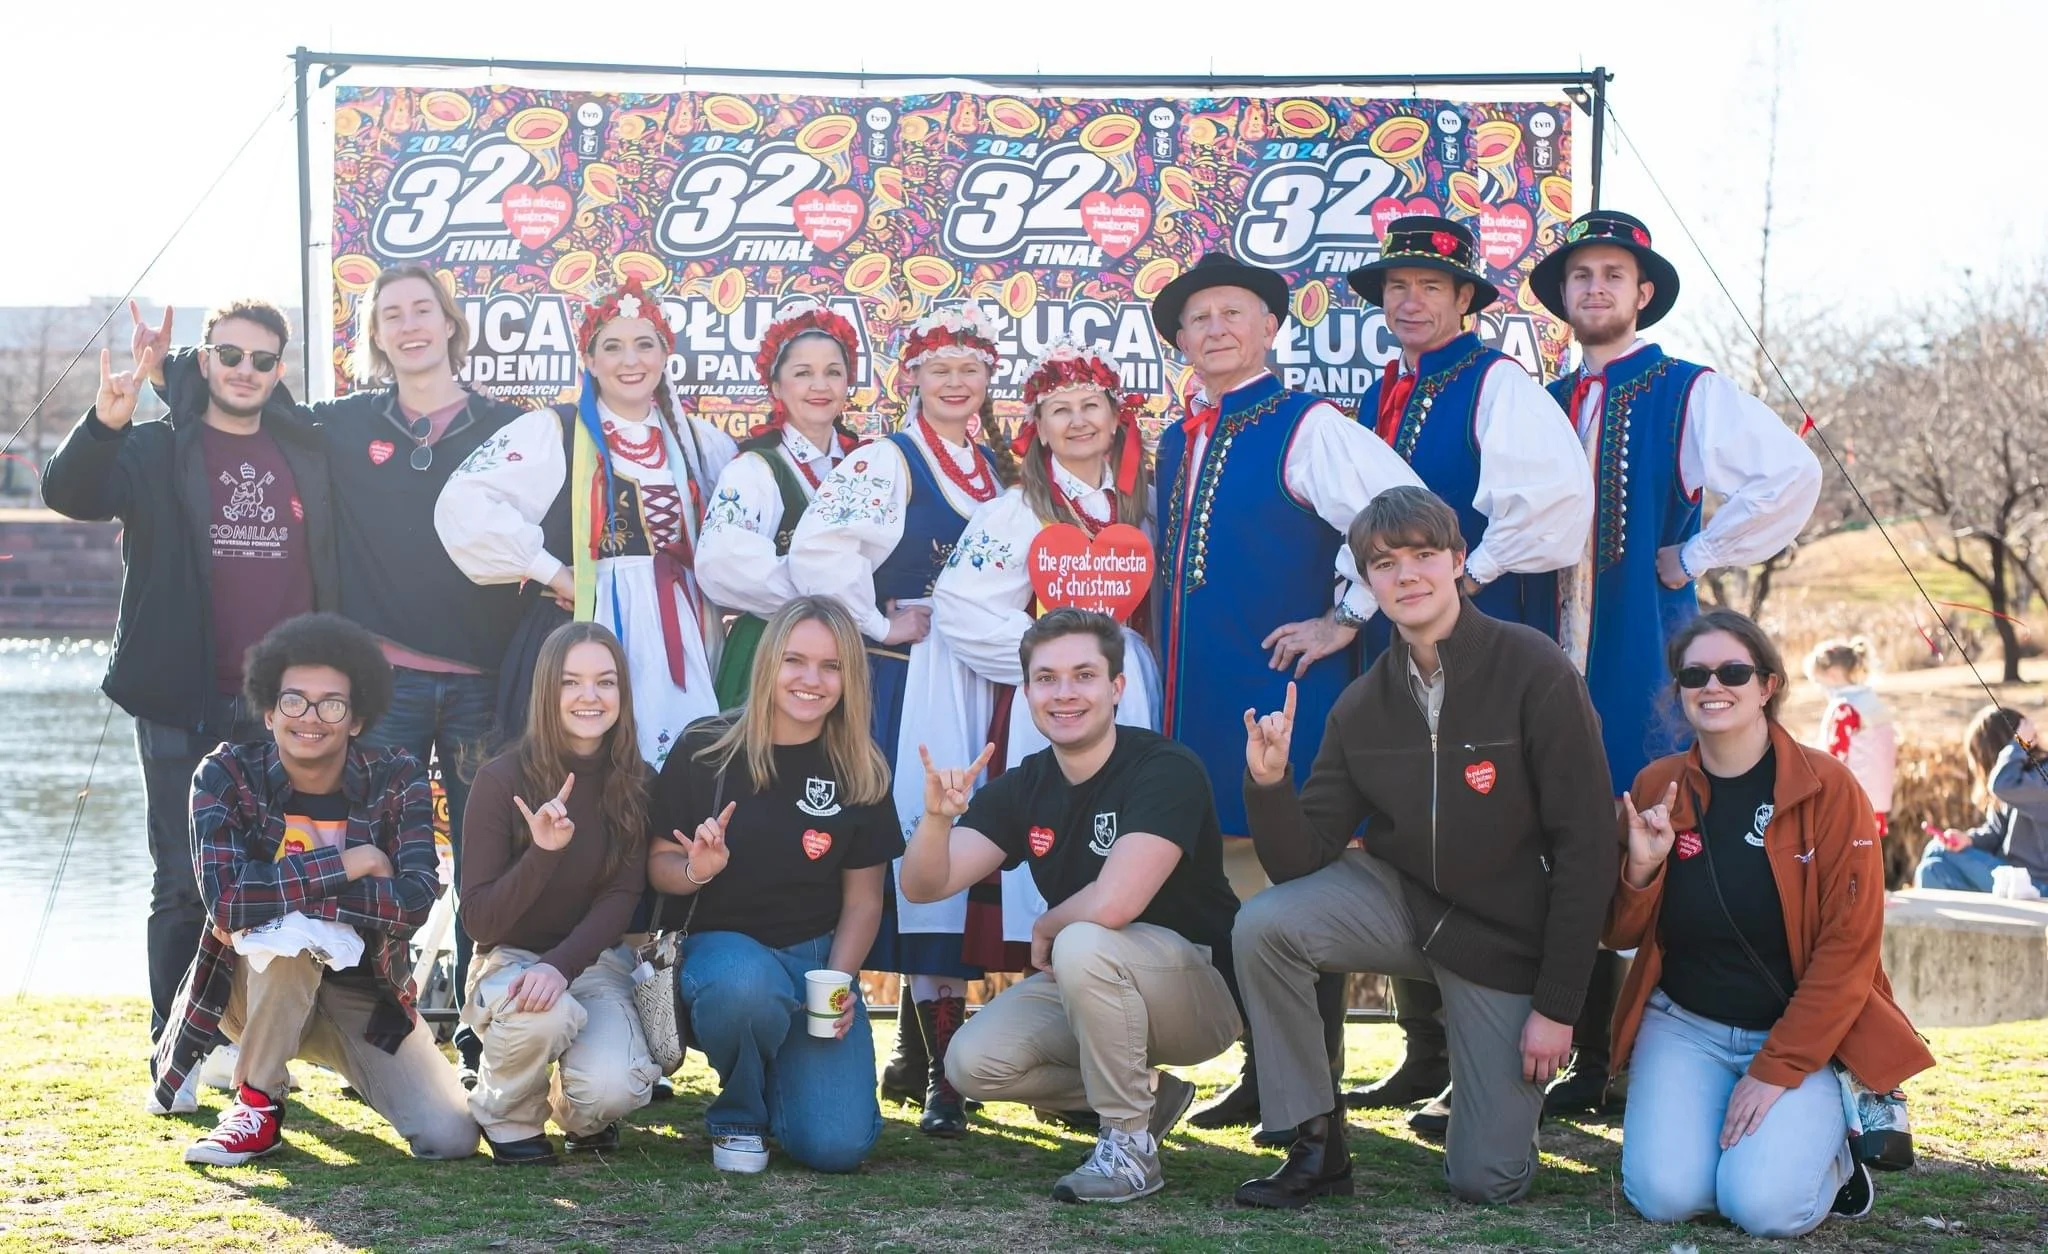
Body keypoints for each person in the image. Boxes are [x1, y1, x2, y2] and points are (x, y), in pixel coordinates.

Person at [141, 265, 530, 1082]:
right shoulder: (344, 424)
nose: (410, 324)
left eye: (424, 309)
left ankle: (483, 1044)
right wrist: (168, 370)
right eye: (392, 314)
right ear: (377, 335)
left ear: (452, 323)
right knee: (361, 858)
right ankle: (373, 1039)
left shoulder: (509, 427)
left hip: (479, 682)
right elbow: (242, 392)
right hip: (378, 683)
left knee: (481, 862)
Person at [1232, 486, 1616, 1209]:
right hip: (1406, 906)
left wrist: (1558, 1004)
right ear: (1367, 583)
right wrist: (1269, 784)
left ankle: (1484, 1105)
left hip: (1503, 943)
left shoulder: (1534, 669)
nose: (1406, 575)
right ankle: (1315, 1146)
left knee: (1487, 1179)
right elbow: (1299, 863)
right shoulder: (1362, 703)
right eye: (1384, 563)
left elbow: (1587, 846)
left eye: (1423, 555)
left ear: (1458, 561)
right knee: (1266, 924)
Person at [1522, 208, 1824, 1117]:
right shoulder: (1538, 401)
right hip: (1544, 649)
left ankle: (1625, 1057)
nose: (1597, 289)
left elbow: (1790, 475)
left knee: (1642, 839)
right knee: (1548, 847)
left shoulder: (1686, 391)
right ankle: (1561, 1048)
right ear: (1564, 298)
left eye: (1614, 275)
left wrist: (1692, 557)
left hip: (1640, 653)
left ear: (1643, 294)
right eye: (1581, 276)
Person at [1149, 251, 1424, 1135]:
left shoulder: (1306, 424)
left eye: (1235, 312)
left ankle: (1314, 1091)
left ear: (1270, 327)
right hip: (1201, 701)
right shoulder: (1179, 435)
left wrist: (1346, 614)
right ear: (1181, 342)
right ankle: (1273, 1075)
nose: (1216, 328)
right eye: (1198, 319)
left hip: (1282, 694)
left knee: (1293, 885)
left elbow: (1406, 511)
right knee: (1236, 888)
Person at [43, 300, 337, 1079]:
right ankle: (176, 1044)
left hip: (285, 714)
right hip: (179, 699)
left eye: (263, 359)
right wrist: (106, 418)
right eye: (230, 355)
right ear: (204, 361)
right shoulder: (153, 447)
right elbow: (70, 493)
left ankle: (254, 1047)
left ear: (281, 370)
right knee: (180, 878)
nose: (245, 370)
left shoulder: (306, 449)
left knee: (273, 880)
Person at [1344, 217, 1595, 1117]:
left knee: (1490, 835)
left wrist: (1469, 578)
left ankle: (1515, 1052)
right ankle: (1426, 1051)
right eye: (1396, 289)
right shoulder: (1384, 393)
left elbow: (1558, 508)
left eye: (1429, 287)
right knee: (1407, 826)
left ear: (1463, 301)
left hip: (1480, 641)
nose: (1410, 301)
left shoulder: (1496, 385)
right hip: (1400, 645)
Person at [1605, 609, 1934, 1235]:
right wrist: (1641, 872)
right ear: (1678, 690)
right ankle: (1742, 1142)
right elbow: (1619, 934)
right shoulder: (1658, 785)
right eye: (1694, 674)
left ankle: (1835, 1160)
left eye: (1733, 671)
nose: (1712, 686)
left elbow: (1849, 952)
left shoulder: (1831, 789)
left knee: (1762, 1208)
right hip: (1685, 1026)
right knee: (1667, 1197)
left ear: (1768, 686)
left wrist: (1773, 1069)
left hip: (1802, 1033)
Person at [906, 609, 1243, 1203]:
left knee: (1081, 937)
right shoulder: (1025, 784)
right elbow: (924, 886)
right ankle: (1149, 1100)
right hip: (1090, 979)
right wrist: (936, 821)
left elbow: (1115, 903)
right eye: (1046, 678)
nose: (1064, 693)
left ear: (1116, 688)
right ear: (1028, 691)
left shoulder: (1164, 767)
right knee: (973, 1064)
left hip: (1197, 991)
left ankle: (1129, 1149)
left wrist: (1047, 923)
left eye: (1083, 675)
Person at [787, 301, 1019, 1137]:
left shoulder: (999, 469)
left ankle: (934, 1062)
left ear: (990, 379)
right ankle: (904, 1063)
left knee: (955, 857)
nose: (956, 383)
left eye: (971, 368)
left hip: (975, 681)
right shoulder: (888, 459)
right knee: (891, 850)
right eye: (939, 368)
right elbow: (816, 552)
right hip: (900, 684)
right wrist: (882, 624)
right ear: (910, 377)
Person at [152, 613, 478, 1166]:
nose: (311, 718)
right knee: (289, 941)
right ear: (269, 708)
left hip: (361, 993)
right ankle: (256, 1107)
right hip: (249, 989)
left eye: (332, 704)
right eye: (295, 701)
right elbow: (228, 902)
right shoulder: (225, 775)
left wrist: (280, 896)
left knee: (451, 1138)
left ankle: (291, 1066)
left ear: (356, 718)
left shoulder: (397, 776)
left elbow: (416, 899)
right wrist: (351, 864)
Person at [436, 276, 739, 769]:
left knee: (681, 770)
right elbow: (462, 503)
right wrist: (556, 574)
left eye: (645, 344)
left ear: (665, 355)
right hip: (583, 629)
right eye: (612, 347)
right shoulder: (553, 431)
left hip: (682, 634)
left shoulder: (701, 443)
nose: (630, 360)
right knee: (583, 770)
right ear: (590, 360)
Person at [645, 596, 899, 1174]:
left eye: (831, 666)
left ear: (849, 677)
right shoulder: (704, 748)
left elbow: (864, 900)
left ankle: (782, 1072)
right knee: (745, 989)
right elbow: (657, 865)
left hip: (817, 960)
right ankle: (739, 1117)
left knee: (835, 1148)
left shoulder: (862, 766)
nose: (811, 680)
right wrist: (697, 870)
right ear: (767, 664)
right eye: (795, 660)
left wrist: (837, 986)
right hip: (723, 955)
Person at [458, 622, 656, 1165]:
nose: (589, 696)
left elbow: (622, 896)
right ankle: (507, 1115)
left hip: (595, 962)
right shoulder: (501, 780)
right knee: (544, 1012)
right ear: (547, 690)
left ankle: (569, 1106)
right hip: (509, 957)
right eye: (572, 682)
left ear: (623, 693)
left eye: (605, 681)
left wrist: (561, 966)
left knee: (612, 1089)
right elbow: (479, 920)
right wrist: (543, 853)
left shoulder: (638, 780)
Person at [701, 298, 864, 708]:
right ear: (776, 386)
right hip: (771, 653)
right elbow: (720, 564)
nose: (820, 386)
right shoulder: (756, 469)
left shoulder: (868, 467)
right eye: (803, 373)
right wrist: (838, 603)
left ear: (848, 384)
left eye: (833, 372)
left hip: (849, 657)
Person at [1916, 705, 2048, 894]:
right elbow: (1996, 833)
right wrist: (1968, 840)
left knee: (1936, 850)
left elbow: (2001, 785)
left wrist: (2018, 745)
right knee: (1931, 870)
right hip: (2010, 878)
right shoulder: (2016, 778)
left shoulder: (2040, 777)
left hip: (2035, 885)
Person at [1807, 639, 1897, 840]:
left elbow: (1833, 760)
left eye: (1819, 682)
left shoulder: (1844, 709)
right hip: (1875, 802)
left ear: (1832, 675)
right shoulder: (1871, 702)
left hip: (1848, 806)